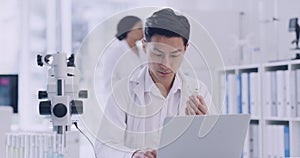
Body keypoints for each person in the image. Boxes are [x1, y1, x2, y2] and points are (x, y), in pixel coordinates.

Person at [95, 8, 217, 158]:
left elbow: (215, 149)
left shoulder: (199, 91)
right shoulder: (123, 91)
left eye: (174, 55)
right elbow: (104, 147)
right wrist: (132, 155)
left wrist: (204, 127)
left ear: (186, 49)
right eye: (158, 53)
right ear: (145, 45)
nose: (166, 64)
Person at [95, 16, 145, 109]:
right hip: (121, 102)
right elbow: (108, 80)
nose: (142, 31)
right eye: (139, 28)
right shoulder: (115, 52)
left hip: (139, 102)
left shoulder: (142, 51)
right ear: (128, 30)